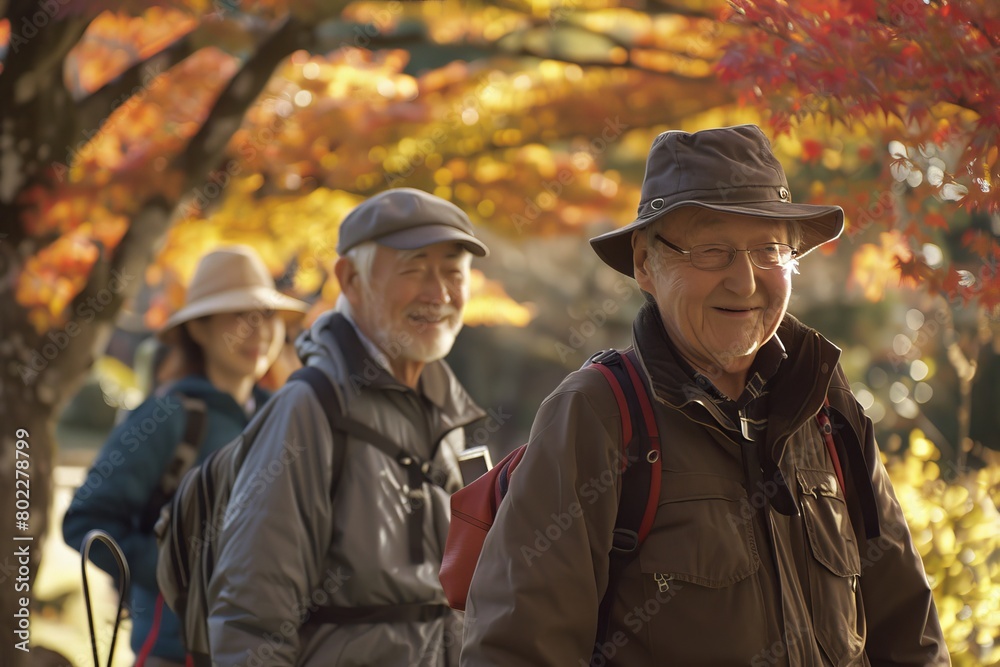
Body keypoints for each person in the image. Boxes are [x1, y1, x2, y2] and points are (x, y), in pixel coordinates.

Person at [461, 125, 950, 666]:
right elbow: (517, 651)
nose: (744, 281)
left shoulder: (827, 407)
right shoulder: (598, 415)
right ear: (646, 264)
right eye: (711, 250)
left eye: (769, 249)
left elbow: (909, 629)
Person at [207, 188, 490, 666]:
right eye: (415, 267)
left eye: (453, 272)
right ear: (351, 280)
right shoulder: (308, 410)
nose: (439, 293)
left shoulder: (448, 416)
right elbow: (250, 616)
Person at [63, 245, 309, 667]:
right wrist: (174, 572)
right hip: (175, 653)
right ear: (199, 329)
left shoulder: (285, 419)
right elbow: (85, 521)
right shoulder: (166, 417)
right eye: (238, 315)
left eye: (267, 315)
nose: (259, 330)